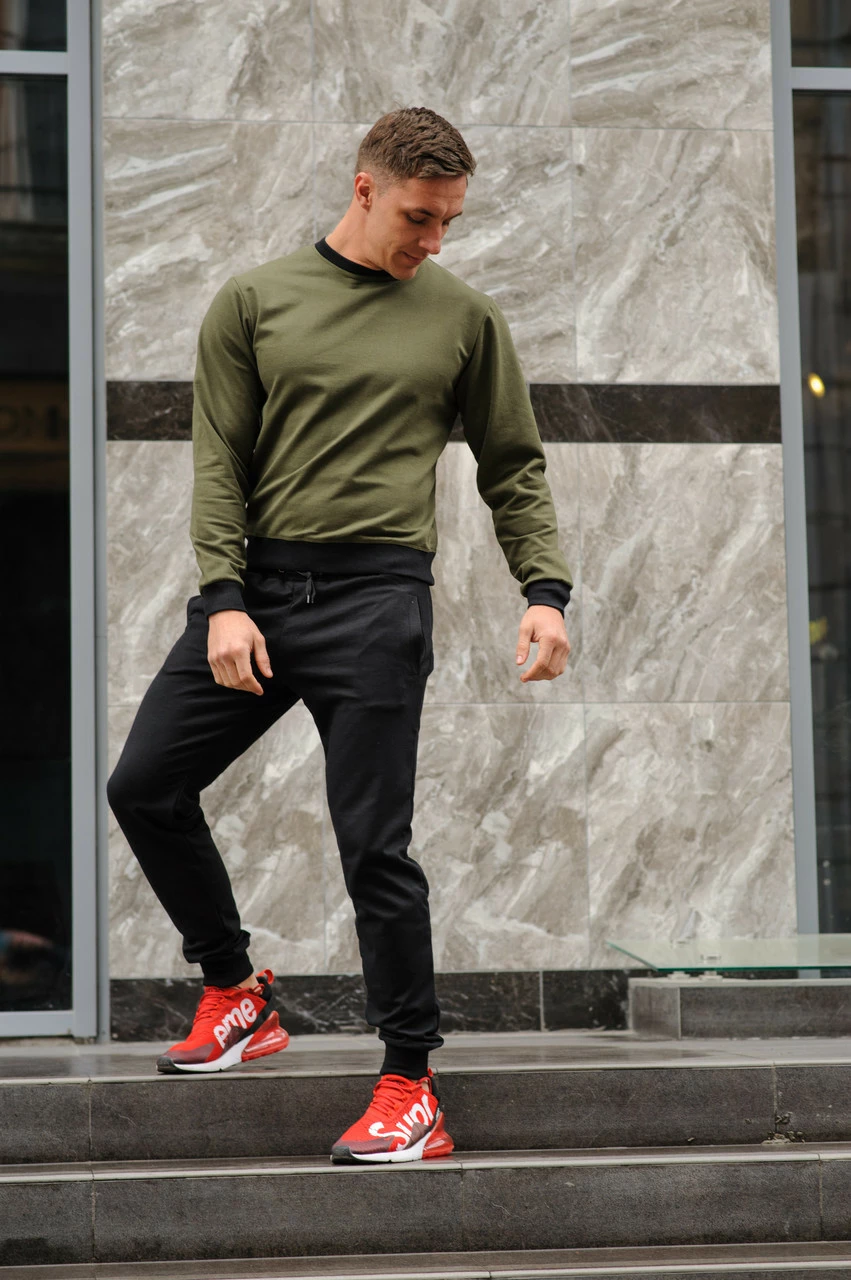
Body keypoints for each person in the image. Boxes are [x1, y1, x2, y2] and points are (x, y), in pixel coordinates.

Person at [106, 105, 573, 1165]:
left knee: (374, 846)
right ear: (364, 189)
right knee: (143, 785)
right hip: (260, 595)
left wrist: (543, 591)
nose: (434, 241)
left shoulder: (464, 318)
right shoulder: (254, 301)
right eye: (418, 217)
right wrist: (224, 598)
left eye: (449, 221)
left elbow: (512, 464)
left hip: (377, 603)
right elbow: (219, 463)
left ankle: (410, 1083)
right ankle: (234, 988)